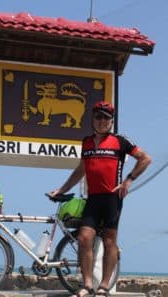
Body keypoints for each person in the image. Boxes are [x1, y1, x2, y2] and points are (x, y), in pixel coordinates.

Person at [49, 101, 151, 297]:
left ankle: (103, 286)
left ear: (112, 121)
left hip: (113, 198)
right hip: (93, 198)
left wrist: (129, 180)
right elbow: (81, 170)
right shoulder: (86, 142)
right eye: (99, 117)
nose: (102, 121)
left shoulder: (120, 141)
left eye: (106, 117)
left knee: (109, 241)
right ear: (93, 120)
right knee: (84, 237)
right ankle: (87, 285)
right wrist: (62, 188)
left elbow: (145, 158)